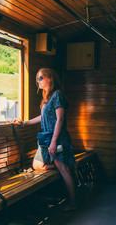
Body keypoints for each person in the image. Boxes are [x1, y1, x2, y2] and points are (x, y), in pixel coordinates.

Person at [11, 67, 77, 211]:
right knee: (37, 165)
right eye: (37, 79)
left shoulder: (58, 95)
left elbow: (60, 119)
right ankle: (61, 164)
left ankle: (73, 203)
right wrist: (24, 122)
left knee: (64, 170)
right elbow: (43, 118)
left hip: (57, 139)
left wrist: (54, 142)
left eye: (40, 78)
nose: (38, 81)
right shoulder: (48, 98)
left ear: (50, 78)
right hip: (47, 140)